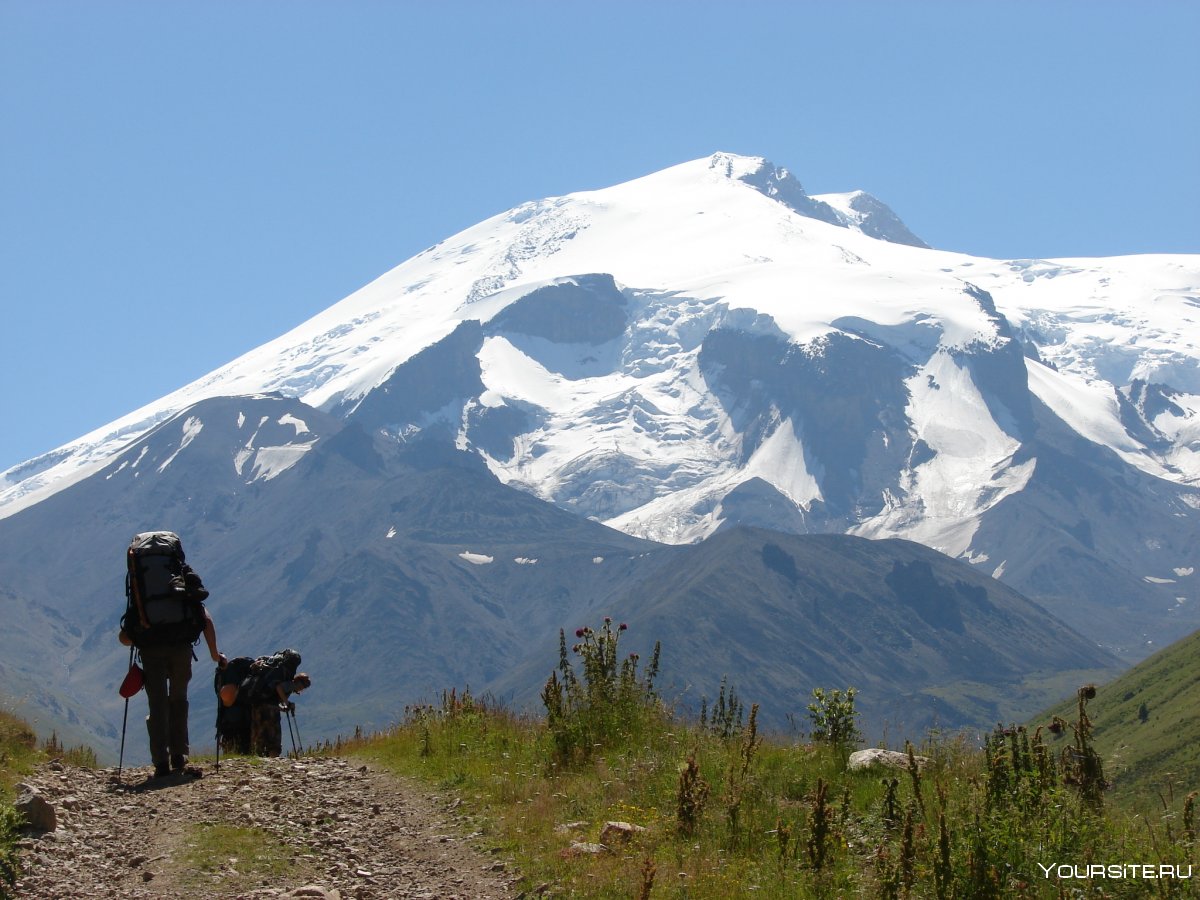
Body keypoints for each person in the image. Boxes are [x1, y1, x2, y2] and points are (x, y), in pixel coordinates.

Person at [250, 672, 311, 757]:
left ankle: (257, 754)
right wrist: (287, 703)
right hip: (270, 712)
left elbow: (272, 699)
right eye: (302, 686)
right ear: (298, 682)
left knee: (260, 733)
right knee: (274, 736)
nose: (301, 688)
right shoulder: (291, 685)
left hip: (258, 707)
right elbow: (279, 687)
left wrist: (282, 708)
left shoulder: (271, 685)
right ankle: (273, 757)